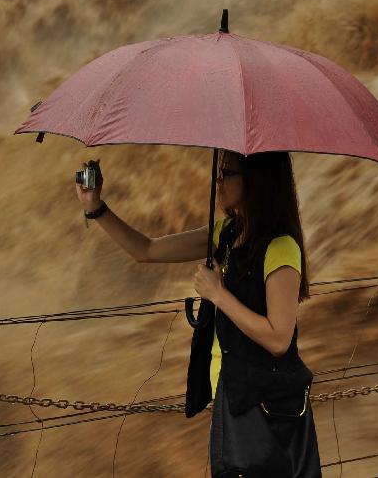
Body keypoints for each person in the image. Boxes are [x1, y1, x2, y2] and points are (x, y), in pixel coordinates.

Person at [74, 151, 322, 477]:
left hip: (270, 412)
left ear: (256, 180)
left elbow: (278, 339)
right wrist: (96, 208)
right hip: (231, 398)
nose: (218, 181)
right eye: (220, 172)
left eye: (228, 173)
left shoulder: (281, 247)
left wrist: (218, 294)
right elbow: (145, 250)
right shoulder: (226, 234)